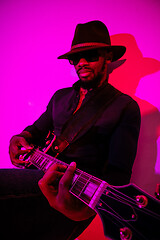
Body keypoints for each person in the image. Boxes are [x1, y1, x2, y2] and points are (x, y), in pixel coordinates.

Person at [7, 20, 141, 239]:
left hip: (72, 194)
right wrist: (18, 138)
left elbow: (118, 176)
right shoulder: (60, 97)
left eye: (90, 56)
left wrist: (80, 211)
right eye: (75, 58)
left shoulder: (124, 106)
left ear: (107, 57)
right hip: (36, 177)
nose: (81, 63)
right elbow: (35, 130)